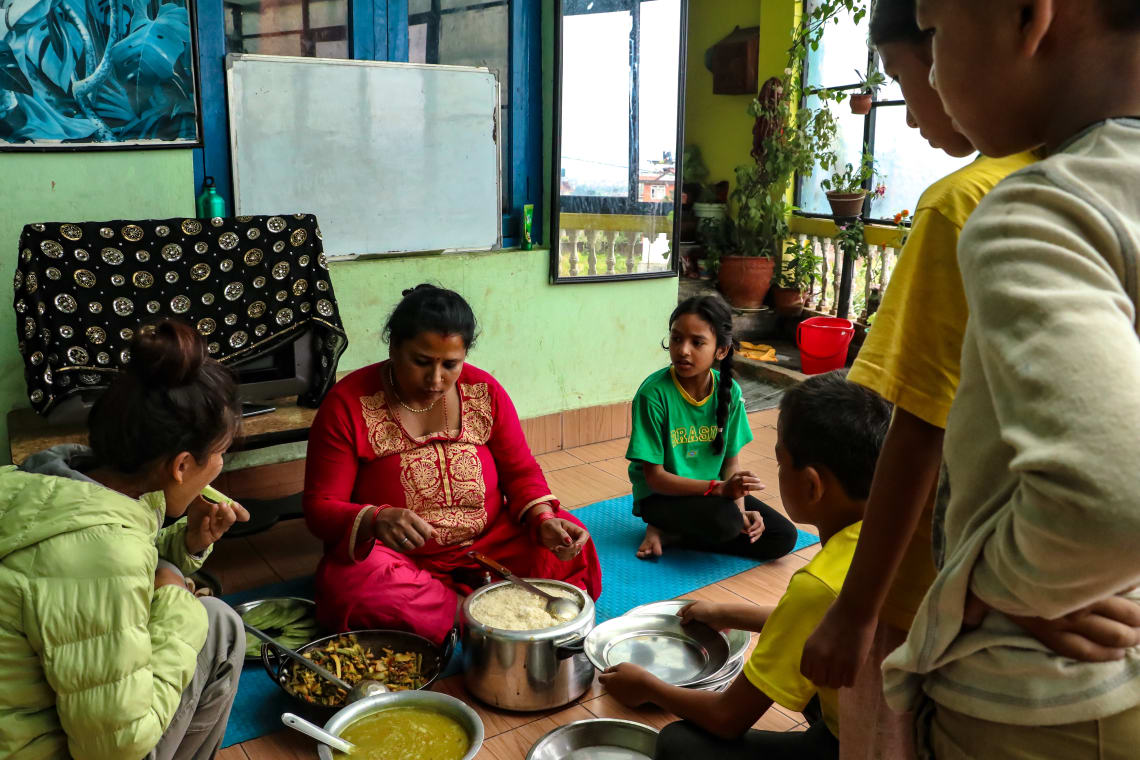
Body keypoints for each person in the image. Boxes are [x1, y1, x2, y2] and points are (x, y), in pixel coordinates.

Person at [879, 1, 1140, 757]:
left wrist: (992, 585)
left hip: (1036, 703)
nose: (930, 70)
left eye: (934, 34)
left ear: (1030, 17)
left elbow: (1112, 500)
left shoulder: (1038, 211)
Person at [794, 2, 1037, 758]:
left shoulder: (960, 204)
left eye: (911, 73)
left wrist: (856, 609)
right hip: (1034, 588)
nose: (911, 107)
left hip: (931, 585)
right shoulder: (1091, 179)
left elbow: (917, 427)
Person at [601, 371, 892, 760]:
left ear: (811, 485)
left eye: (780, 461)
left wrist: (648, 686)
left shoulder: (818, 583)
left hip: (860, 746)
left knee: (677, 745)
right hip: (897, 722)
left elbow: (726, 717)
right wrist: (727, 612)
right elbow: (821, 618)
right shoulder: (893, 537)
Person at [0, 319, 249, 760]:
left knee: (174, 580)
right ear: (182, 466)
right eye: (219, 454)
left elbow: (87, 587)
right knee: (216, 624)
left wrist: (185, 545)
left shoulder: (37, 481)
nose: (220, 466)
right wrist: (177, 605)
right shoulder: (104, 553)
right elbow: (116, 748)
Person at [303, 284, 602, 645]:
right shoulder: (348, 404)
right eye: (421, 362)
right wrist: (376, 518)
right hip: (401, 561)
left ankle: (452, 617)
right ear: (394, 346)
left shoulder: (484, 390)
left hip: (490, 547)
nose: (436, 380)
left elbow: (520, 472)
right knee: (350, 586)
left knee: (570, 538)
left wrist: (543, 520)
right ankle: (478, 613)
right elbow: (320, 508)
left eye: (450, 365)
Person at [627, 294, 798, 562]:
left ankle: (673, 536)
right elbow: (655, 478)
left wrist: (741, 510)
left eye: (697, 343)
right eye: (676, 338)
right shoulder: (654, 394)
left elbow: (732, 464)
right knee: (727, 523)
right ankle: (663, 525)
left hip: (714, 493)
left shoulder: (730, 393)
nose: (683, 350)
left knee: (782, 536)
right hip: (662, 498)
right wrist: (719, 491)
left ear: (721, 350)